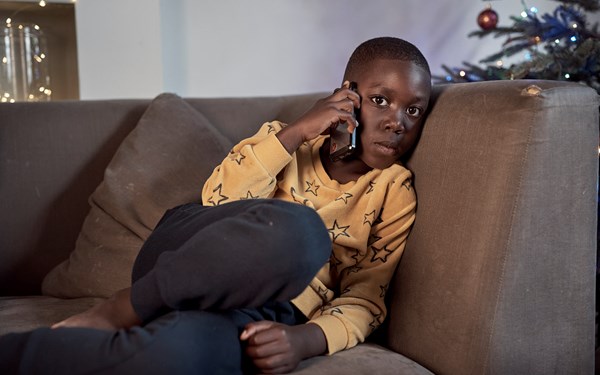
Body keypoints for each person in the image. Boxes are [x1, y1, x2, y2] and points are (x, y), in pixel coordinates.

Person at [0, 36, 432, 374]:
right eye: (380, 100)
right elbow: (219, 200)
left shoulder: (393, 191)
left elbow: (366, 295)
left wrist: (307, 339)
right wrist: (297, 132)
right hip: (189, 251)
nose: (399, 121)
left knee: (181, 360)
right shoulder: (285, 138)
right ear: (347, 95)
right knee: (301, 233)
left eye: (415, 110)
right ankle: (122, 307)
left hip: (263, 309)